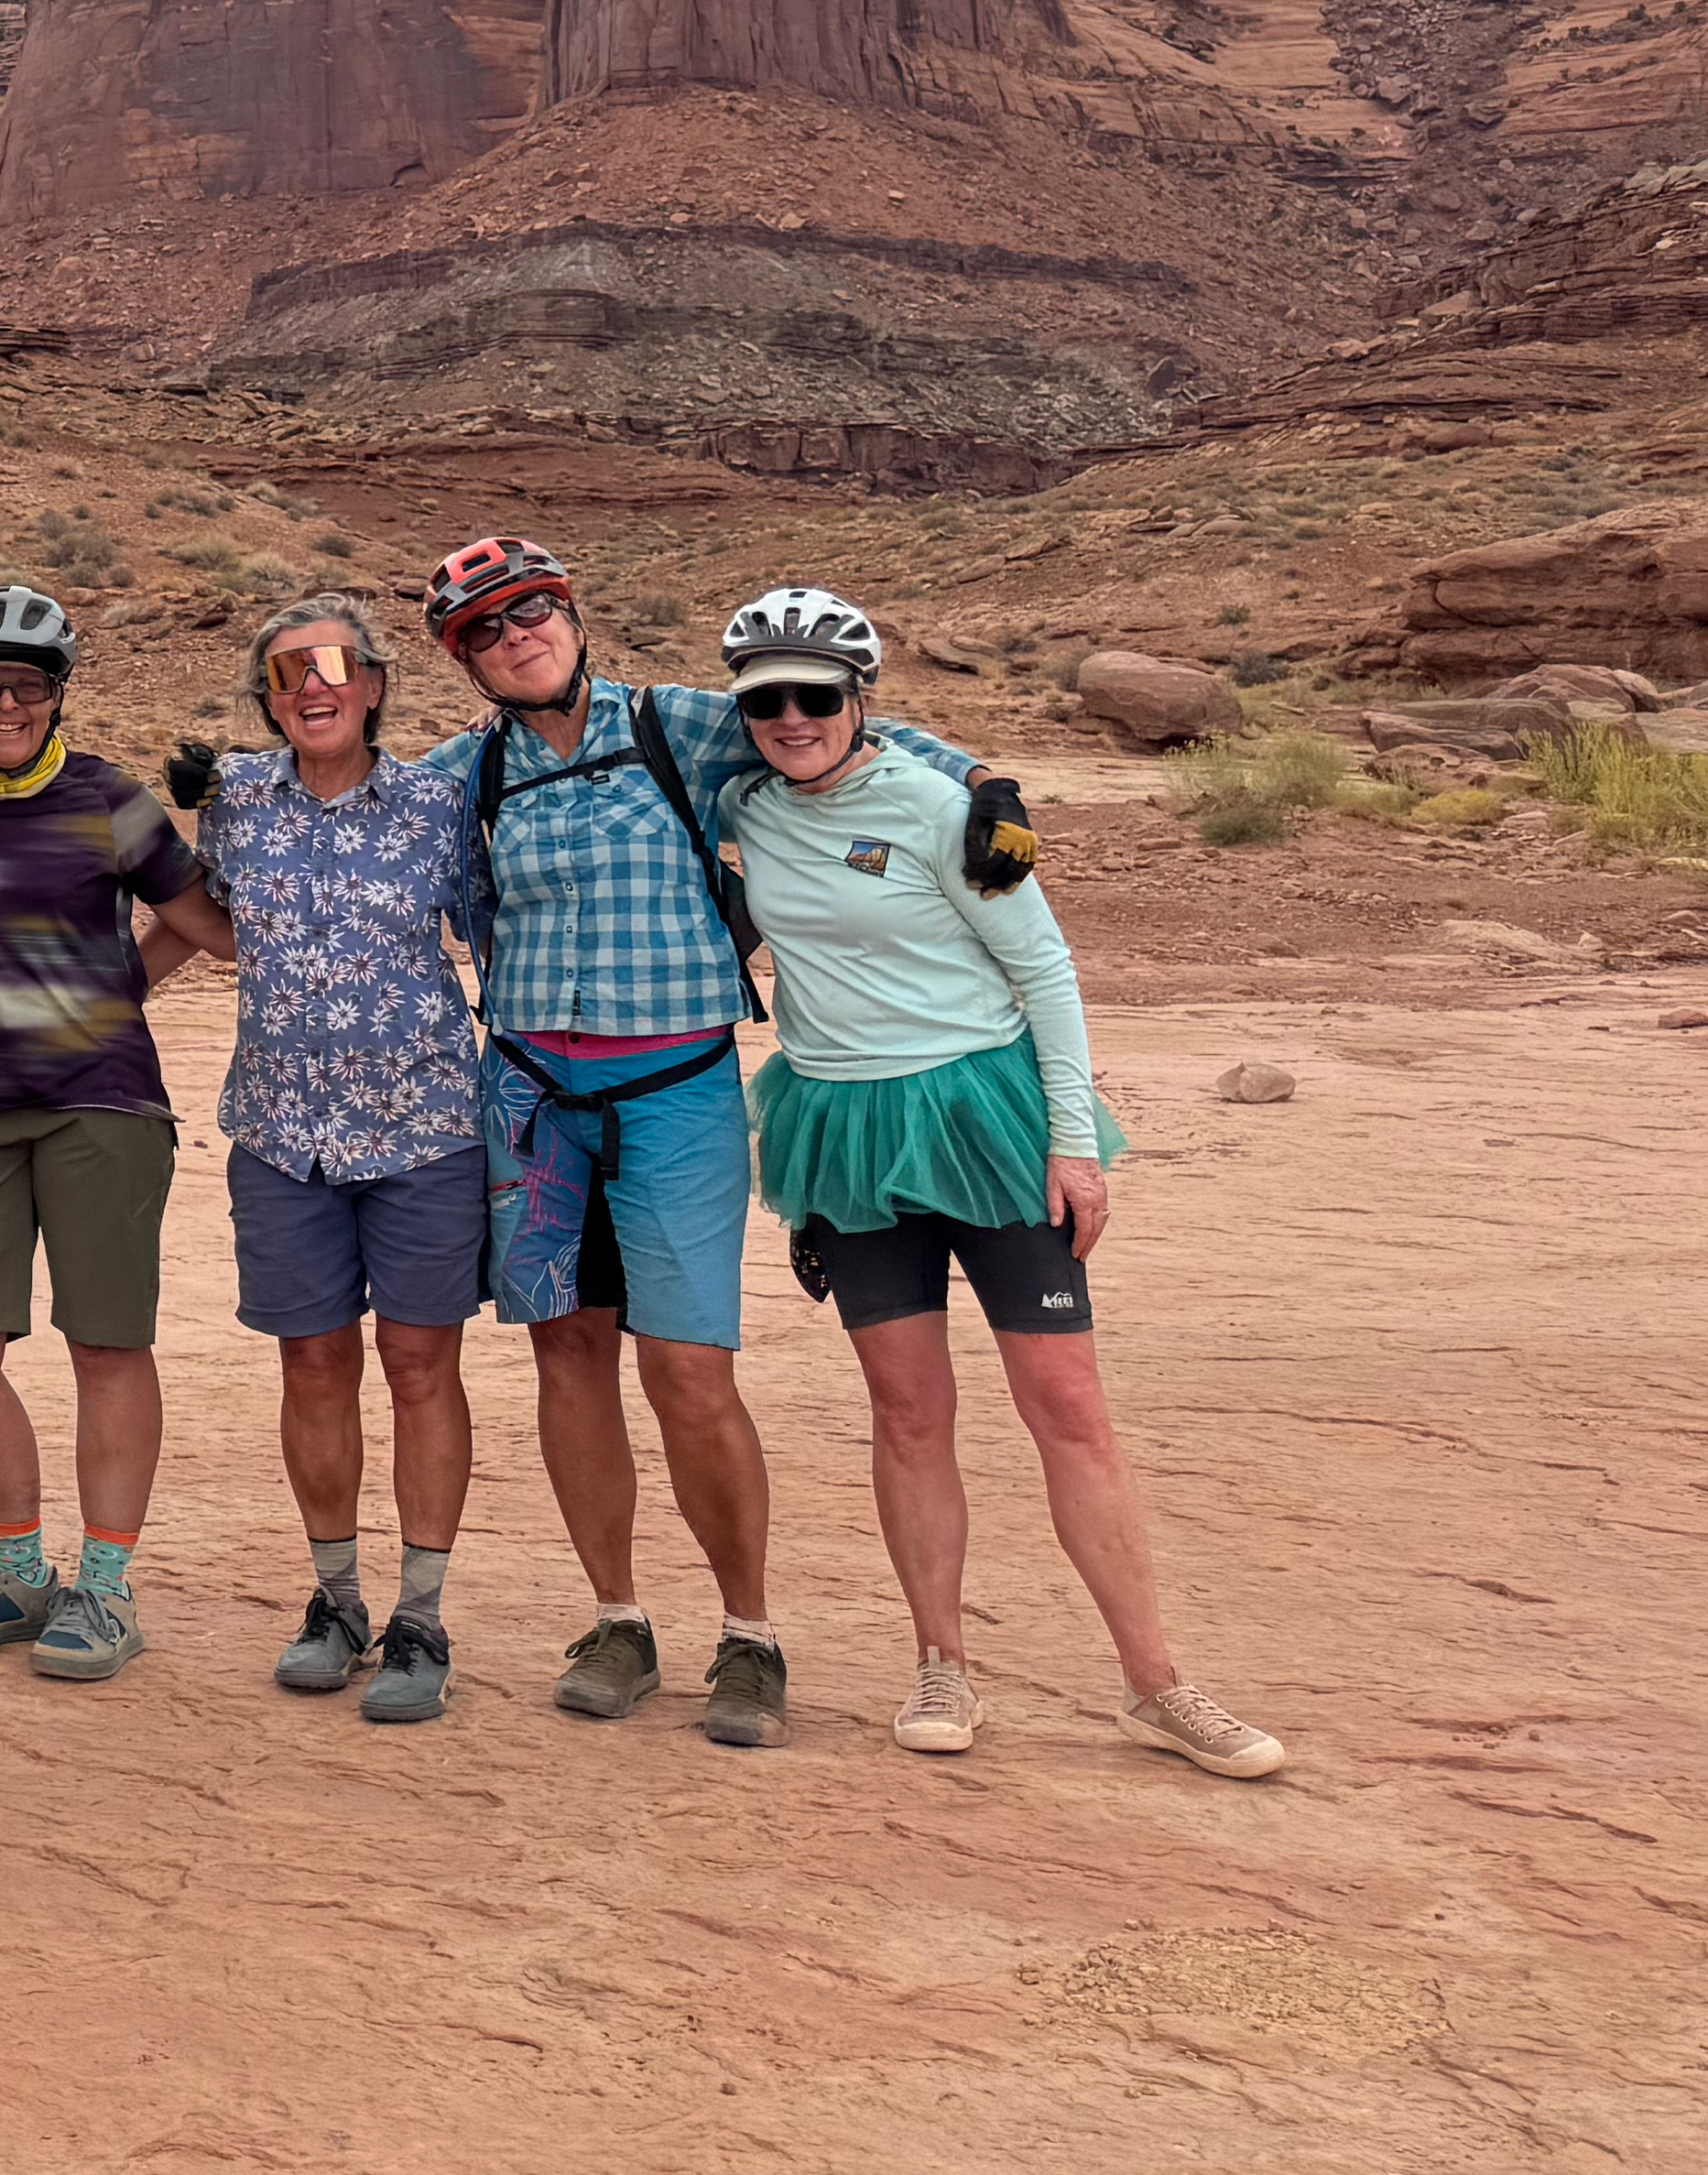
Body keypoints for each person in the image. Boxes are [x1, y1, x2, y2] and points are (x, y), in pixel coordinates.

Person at [423, 532, 1017, 1752]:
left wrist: (985, 785)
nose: (518, 634)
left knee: (689, 1369)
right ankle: (617, 1619)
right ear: (466, 660)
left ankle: (749, 1635)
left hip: (679, 1090)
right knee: (567, 1358)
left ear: (573, 614)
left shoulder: (681, 727)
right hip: (530, 1101)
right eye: (485, 627)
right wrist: (231, 794)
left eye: (533, 608)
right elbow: (352, 815)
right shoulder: (462, 777)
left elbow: (843, 739)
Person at [714, 586, 1283, 1780]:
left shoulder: (939, 812)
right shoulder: (743, 810)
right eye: (767, 699)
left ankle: (1158, 1684)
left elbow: (1051, 978)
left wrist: (1073, 1146)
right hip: (845, 1129)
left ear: (857, 698)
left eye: (816, 695)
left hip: (986, 1117)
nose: (791, 716)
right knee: (911, 1414)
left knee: (1067, 1408)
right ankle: (941, 1664)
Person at [0, 582, 233, 1689]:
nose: (4, 703)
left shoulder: (110, 799)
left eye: (25, 686)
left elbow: (209, 932)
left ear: (57, 694)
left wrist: (117, 985)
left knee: (105, 1342)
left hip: (102, 1102)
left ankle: (108, 1587)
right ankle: (19, 1572)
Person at [163, 598, 486, 1726]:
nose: (313, 685)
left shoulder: (441, 807)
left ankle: (423, 1617)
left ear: (375, 686)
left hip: (426, 1128)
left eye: (334, 666)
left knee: (417, 1364)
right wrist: (85, 999)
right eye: (287, 671)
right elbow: (203, 918)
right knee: (312, 1365)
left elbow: (501, 935)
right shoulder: (238, 803)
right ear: (269, 696)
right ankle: (339, 1601)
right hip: (281, 1131)